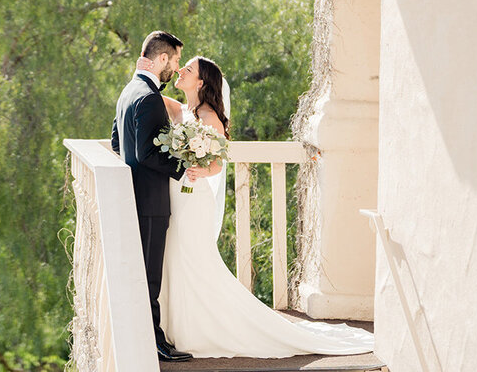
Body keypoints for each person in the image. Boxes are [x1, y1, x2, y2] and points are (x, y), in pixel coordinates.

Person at [158, 56, 375, 358]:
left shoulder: (210, 119)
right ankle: (178, 326)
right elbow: (149, 91)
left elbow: (217, 166)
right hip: (178, 199)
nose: (181, 71)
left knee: (193, 260)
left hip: (194, 200)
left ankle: (200, 329)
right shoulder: (182, 110)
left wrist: (200, 170)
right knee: (176, 260)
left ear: (201, 83)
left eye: (188, 69)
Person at [111, 30, 192, 363]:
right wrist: (183, 165)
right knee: (150, 277)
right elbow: (146, 155)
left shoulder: (128, 92)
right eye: (173, 60)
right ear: (161, 59)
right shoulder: (148, 97)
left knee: (144, 275)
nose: (174, 67)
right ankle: (155, 344)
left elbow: (118, 144)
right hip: (150, 203)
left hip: (136, 200)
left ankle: (148, 338)